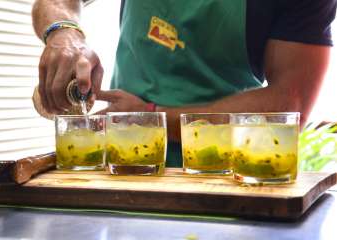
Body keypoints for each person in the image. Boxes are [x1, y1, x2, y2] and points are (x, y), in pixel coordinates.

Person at [32, 0, 337, 167]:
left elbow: (289, 103)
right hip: (125, 167)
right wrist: (65, 34)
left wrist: (153, 117)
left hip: (227, 177)